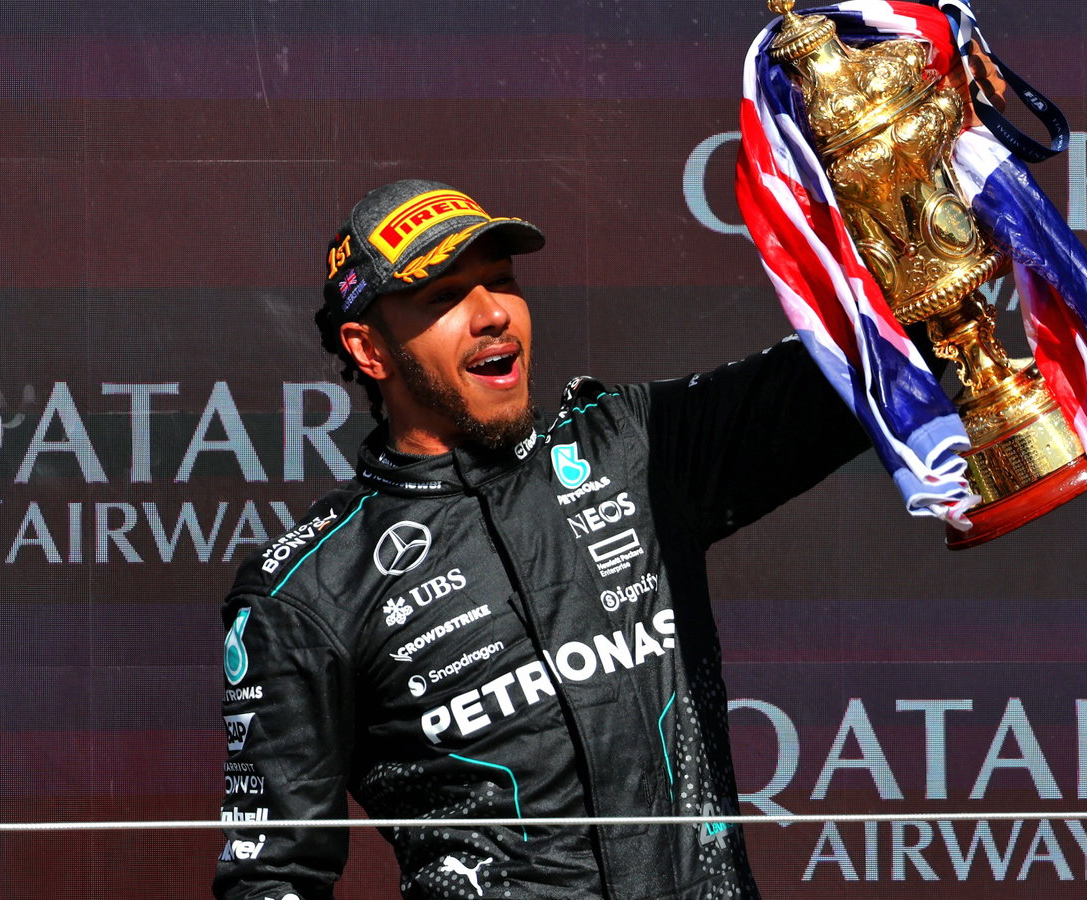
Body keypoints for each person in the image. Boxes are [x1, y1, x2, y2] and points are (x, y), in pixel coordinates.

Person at [214, 179, 876, 899]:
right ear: (369, 349)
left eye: (501, 282)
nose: (493, 314)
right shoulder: (306, 591)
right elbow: (271, 879)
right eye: (444, 297)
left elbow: (864, 366)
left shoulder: (635, 451)